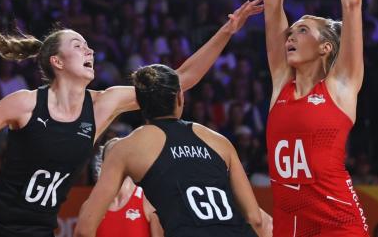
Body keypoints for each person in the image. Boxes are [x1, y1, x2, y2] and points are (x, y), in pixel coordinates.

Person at [0, 0, 264, 237]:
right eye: (78, 45)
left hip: (42, 228)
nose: (90, 50)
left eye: (88, 45)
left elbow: (181, 80)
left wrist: (227, 30)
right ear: (57, 61)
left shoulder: (103, 104)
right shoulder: (24, 103)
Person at [260, 0, 368, 235]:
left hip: (338, 225)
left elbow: (352, 3)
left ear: (325, 48)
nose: (290, 36)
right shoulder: (281, 82)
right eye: (291, 32)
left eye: (302, 31)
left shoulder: (341, 86)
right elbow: (272, 6)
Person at [75, 64, 271, 237]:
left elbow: (85, 229)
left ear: (140, 104)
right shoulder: (219, 141)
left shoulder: (127, 147)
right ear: (180, 97)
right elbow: (255, 219)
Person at [93, 137, 163, 237]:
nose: (117, 164)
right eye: (112, 159)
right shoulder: (92, 207)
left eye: (121, 158)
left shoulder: (148, 202)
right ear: (103, 165)